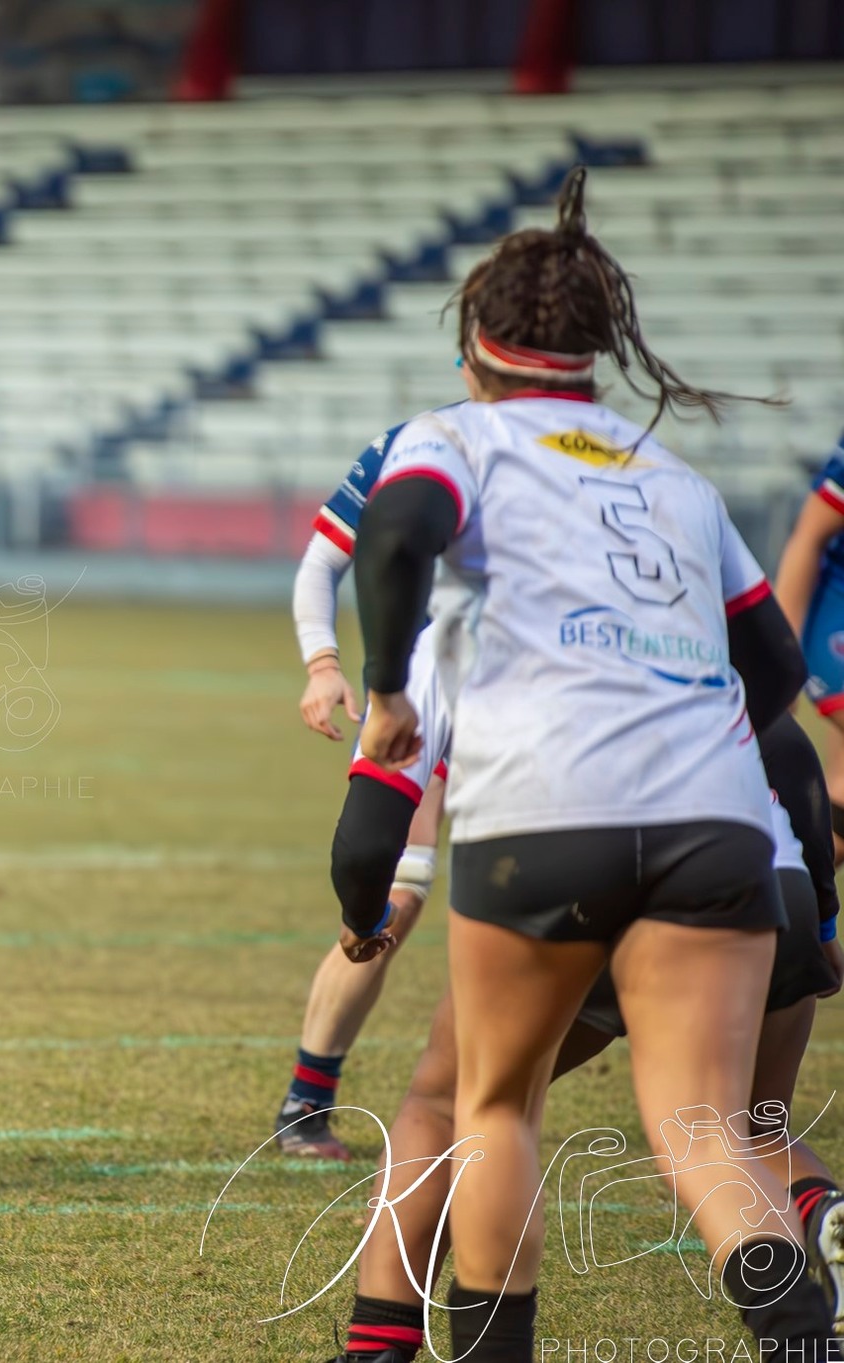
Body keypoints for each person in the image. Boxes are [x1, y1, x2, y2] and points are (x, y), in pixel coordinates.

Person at [351, 166, 833, 1358]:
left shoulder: (457, 434)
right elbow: (768, 662)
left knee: (491, 1102)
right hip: (716, 820)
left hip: (547, 808)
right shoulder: (667, 472)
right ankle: (796, 1324)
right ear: (596, 349)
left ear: (476, 337)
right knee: (704, 1126)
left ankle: (485, 1347)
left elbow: (399, 527)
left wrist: (380, 692)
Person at [322, 714, 844, 1362]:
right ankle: (811, 1298)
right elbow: (782, 735)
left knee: (450, 1103)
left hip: (580, 862)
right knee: (739, 1133)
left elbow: (368, 834)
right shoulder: (687, 619)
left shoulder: (457, 625)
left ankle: (377, 1349)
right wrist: (822, 917)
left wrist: (364, 914)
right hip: (758, 869)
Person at [281, 430, 451, 1161]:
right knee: (395, 896)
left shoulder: (588, 457)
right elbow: (323, 559)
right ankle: (306, 1103)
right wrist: (323, 661)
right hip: (429, 699)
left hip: (549, 710)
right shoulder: (417, 443)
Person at [771, 427, 844, 861]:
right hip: (837, 612)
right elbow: (809, 535)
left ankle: (797, 910)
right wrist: (780, 661)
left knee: (833, 825)